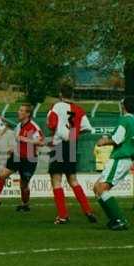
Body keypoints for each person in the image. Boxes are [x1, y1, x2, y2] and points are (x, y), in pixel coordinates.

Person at [47, 82, 97, 224]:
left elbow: (51, 124)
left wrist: (58, 134)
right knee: (73, 179)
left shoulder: (57, 106)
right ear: (72, 94)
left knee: (56, 180)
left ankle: (63, 215)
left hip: (59, 146)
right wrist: (74, 133)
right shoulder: (79, 109)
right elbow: (88, 128)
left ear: (60, 94)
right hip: (72, 146)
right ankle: (88, 210)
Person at [0, 104, 44, 211]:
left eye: (21, 110)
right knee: (2, 175)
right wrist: (13, 148)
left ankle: (25, 204)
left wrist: (25, 139)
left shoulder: (33, 127)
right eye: (19, 110)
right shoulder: (19, 126)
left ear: (27, 114)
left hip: (29, 159)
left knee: (23, 185)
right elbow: (18, 140)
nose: (18, 112)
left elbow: (41, 142)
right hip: (17, 156)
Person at [93, 98, 134, 231]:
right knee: (96, 188)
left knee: (101, 189)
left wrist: (104, 141)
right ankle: (114, 219)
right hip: (126, 159)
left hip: (119, 158)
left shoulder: (125, 120)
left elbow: (117, 139)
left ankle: (120, 220)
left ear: (124, 107)